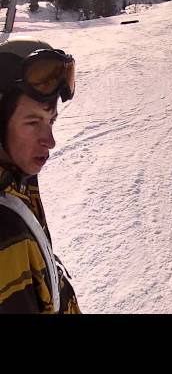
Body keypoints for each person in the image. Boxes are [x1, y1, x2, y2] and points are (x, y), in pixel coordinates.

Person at [0, 36, 81, 313]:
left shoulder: (16, 186)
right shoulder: (4, 234)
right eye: (33, 122)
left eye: (51, 121)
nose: (50, 140)